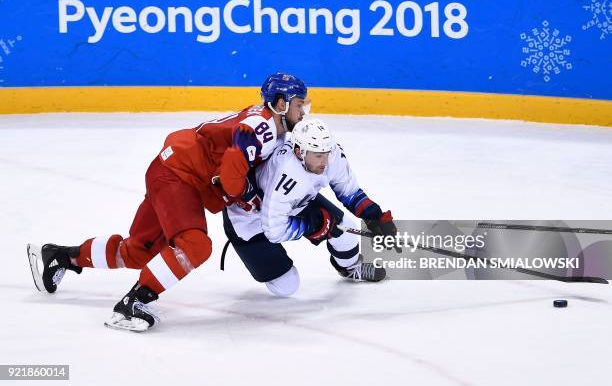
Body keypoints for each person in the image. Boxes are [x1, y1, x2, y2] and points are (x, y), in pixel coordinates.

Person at [27, 73, 309, 332]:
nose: (304, 110)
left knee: (138, 252)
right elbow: (232, 175)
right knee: (195, 246)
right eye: (299, 104)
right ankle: (133, 303)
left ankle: (59, 256)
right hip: (178, 175)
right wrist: (250, 198)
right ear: (281, 104)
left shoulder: (270, 124)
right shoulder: (264, 127)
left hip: (173, 169)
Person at [222, 118, 396, 297]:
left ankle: (350, 268)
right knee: (287, 286)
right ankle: (250, 250)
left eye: (326, 153)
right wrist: (314, 226)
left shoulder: (331, 153)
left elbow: (349, 191)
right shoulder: (285, 174)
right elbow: (274, 230)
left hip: (294, 202)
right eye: (319, 156)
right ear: (299, 152)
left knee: (347, 229)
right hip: (249, 218)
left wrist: (374, 216)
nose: (325, 162)